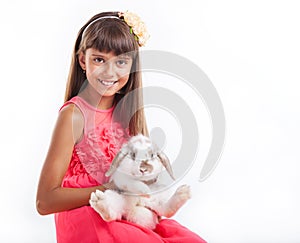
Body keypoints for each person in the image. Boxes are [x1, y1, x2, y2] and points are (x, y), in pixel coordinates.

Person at [36, 11, 207, 243]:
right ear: (82, 60)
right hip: (87, 218)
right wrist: (112, 189)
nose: (110, 72)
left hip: (125, 214)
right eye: (99, 59)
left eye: (121, 62)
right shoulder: (74, 116)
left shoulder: (127, 113)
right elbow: (45, 201)